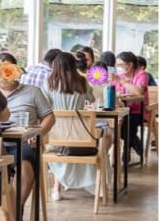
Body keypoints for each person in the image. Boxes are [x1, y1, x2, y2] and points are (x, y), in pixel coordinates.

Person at [0, 53, 55, 221]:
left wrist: (38, 135)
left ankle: (14, 211)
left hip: (23, 143)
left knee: (25, 166)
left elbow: (50, 117)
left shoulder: (32, 91)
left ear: (18, 71)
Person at [44, 52, 110, 201]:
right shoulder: (81, 81)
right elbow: (92, 99)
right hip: (82, 138)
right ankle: (98, 186)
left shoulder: (48, 83)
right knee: (102, 140)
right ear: (74, 65)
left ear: (55, 66)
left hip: (55, 139)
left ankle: (57, 189)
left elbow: (43, 106)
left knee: (59, 148)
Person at [113, 51, 148, 164]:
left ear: (130, 65)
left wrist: (121, 81)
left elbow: (139, 92)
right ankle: (137, 145)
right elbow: (114, 91)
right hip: (121, 109)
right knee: (117, 125)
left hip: (138, 110)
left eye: (120, 65)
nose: (118, 67)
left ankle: (126, 149)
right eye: (117, 65)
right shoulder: (118, 76)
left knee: (128, 123)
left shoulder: (141, 74)